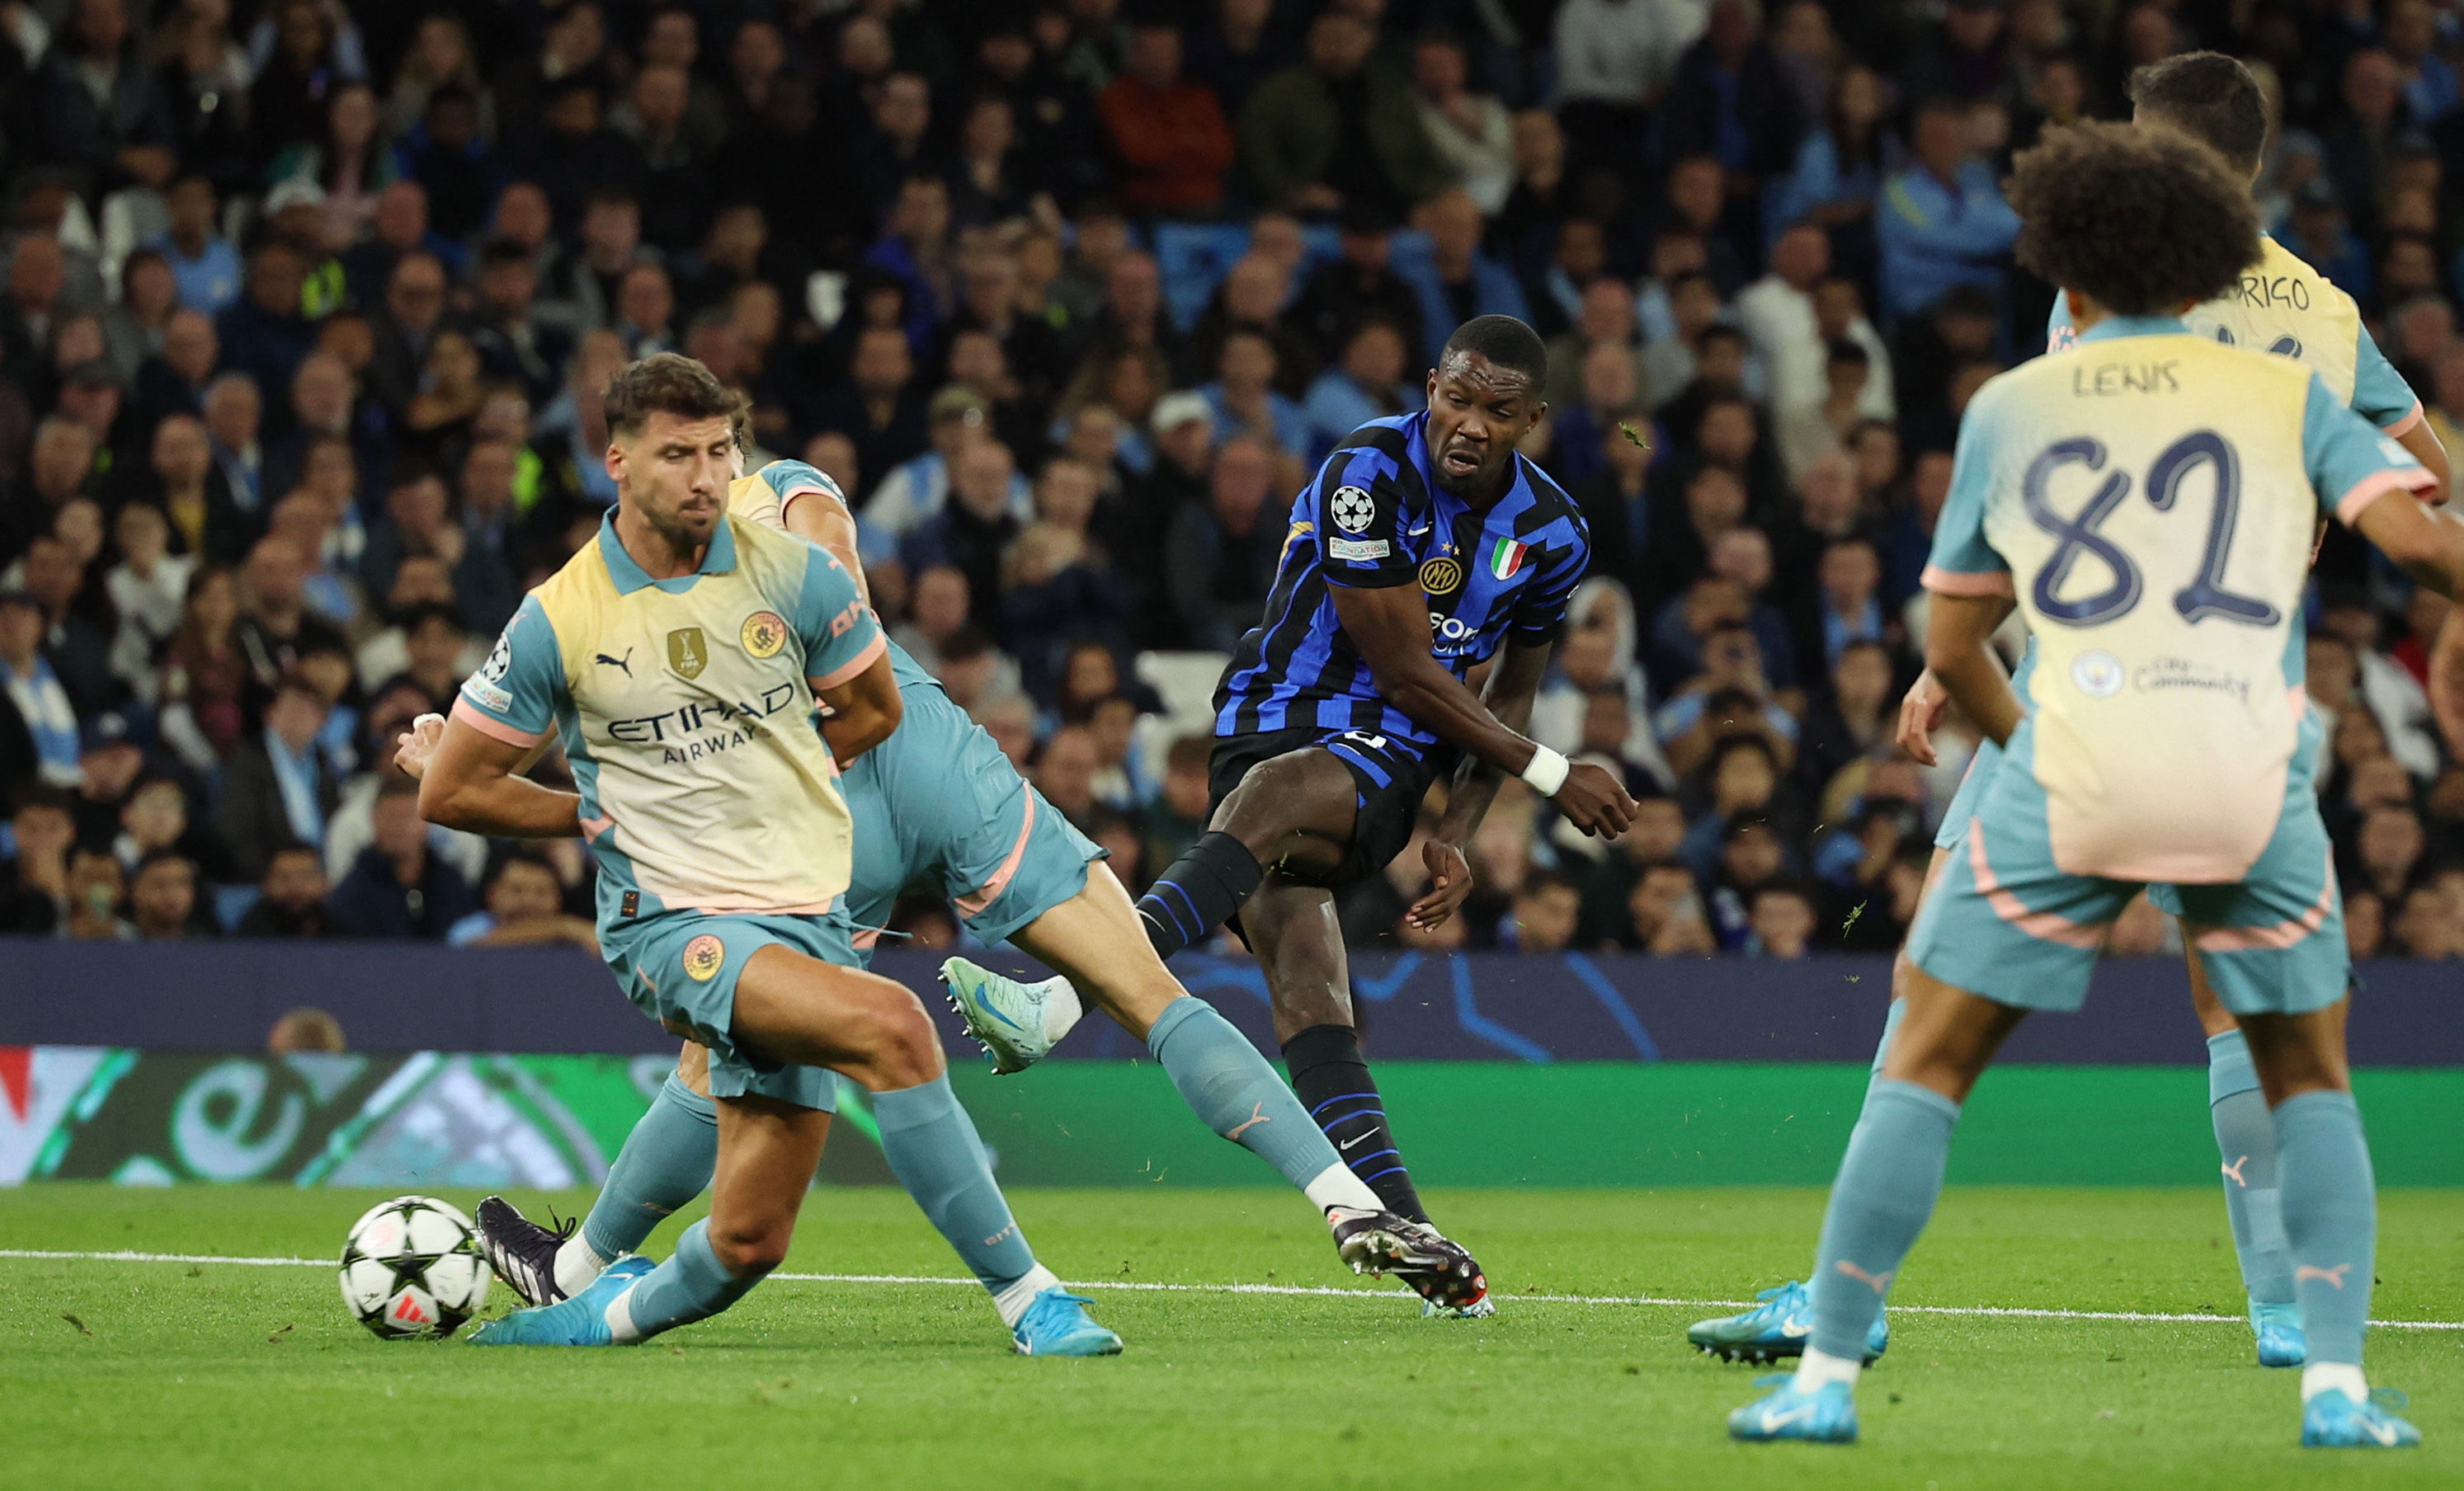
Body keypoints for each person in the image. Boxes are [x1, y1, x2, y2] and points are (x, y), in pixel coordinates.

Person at [1694, 49, 2457, 1382]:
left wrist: (1959, 650)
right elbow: (2427, 486)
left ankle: (1841, 1305)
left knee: (1931, 987)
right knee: (2235, 997)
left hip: (2079, 679)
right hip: (2235, 694)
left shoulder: (2102, 288)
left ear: (2166, 152)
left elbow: (2054, 490)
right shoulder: (2326, 317)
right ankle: (2283, 1308)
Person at [449, 449, 1475, 1319]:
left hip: (812, 806)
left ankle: (575, 1269)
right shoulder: (779, 488)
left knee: (717, 1059)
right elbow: (836, 575)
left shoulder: (610, 606)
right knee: (1152, 993)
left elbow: (588, 770)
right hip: (925, 750)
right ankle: (1347, 1199)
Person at [406, 355, 1125, 1355]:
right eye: (677, 454)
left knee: (747, 1240)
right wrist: (618, 813)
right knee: (894, 1025)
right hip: (673, 923)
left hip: (802, 907)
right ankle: (1031, 1299)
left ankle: (586, 1309)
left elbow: (873, 709)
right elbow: (453, 789)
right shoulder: (560, 614)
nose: (703, 476)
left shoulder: (794, 573)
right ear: (618, 461)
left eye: (717, 452)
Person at [952, 318, 1634, 1310]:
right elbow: (1402, 662)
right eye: (1456, 397)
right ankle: (1418, 1243)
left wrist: (1456, 824)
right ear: (1430, 385)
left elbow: (1511, 688)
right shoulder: (1366, 471)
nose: (1469, 423)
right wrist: (1549, 772)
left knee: (1275, 803)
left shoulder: (1554, 533)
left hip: (1382, 754)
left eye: (1496, 409)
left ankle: (1058, 1000)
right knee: (1309, 988)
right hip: (1261, 726)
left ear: (1530, 419)